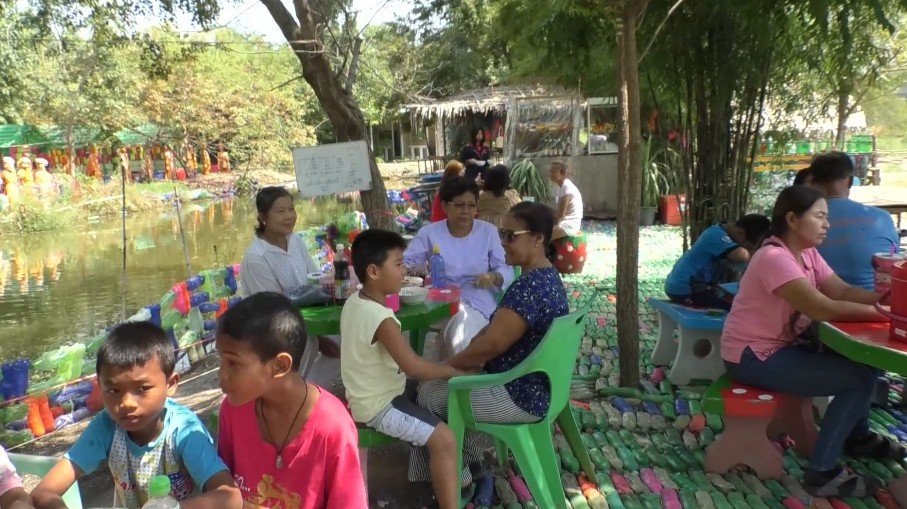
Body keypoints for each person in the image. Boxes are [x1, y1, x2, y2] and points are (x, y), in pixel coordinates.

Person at [721, 185, 903, 499]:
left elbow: (842, 292)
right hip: (753, 355)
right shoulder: (773, 257)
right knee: (857, 380)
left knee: (865, 363)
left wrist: (888, 300)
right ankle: (822, 472)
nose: (827, 224)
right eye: (819, 216)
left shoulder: (806, 254)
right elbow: (821, 307)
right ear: (792, 219)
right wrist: (887, 315)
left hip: (779, 348)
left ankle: (856, 437)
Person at [411, 202, 569, 484]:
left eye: (511, 236)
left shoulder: (532, 288)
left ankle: (454, 479)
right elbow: (490, 335)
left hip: (519, 393)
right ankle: (469, 462)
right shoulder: (543, 278)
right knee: (442, 384)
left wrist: (445, 367)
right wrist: (466, 360)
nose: (503, 243)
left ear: (537, 239)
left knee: (426, 395)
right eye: (502, 234)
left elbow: (491, 345)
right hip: (528, 383)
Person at [31, 322, 241, 509]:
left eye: (142, 388)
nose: (126, 404)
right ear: (100, 387)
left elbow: (230, 498)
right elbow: (44, 492)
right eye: (113, 391)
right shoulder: (106, 426)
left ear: (171, 384)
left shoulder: (184, 432)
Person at [340, 229, 470, 509]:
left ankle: (448, 476)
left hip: (369, 394)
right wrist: (451, 370)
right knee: (445, 439)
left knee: (431, 397)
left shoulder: (355, 301)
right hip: (378, 406)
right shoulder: (381, 319)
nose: (405, 270)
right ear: (374, 272)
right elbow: (414, 367)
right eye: (398, 264)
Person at [216, 292, 366, 508]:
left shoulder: (333, 427)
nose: (222, 374)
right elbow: (222, 489)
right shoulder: (232, 411)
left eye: (233, 363)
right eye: (221, 360)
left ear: (279, 366)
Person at [404, 177, 514, 357]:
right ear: (446, 206)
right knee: (457, 327)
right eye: (459, 205)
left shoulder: (488, 232)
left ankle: (455, 371)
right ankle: (459, 371)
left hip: (477, 300)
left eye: (471, 205)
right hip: (439, 302)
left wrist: (494, 278)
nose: (466, 211)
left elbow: (505, 267)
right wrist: (414, 270)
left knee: (460, 326)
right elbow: (408, 263)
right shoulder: (429, 232)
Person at [241, 186, 337, 362]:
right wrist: (320, 339)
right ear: (263, 217)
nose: (289, 216)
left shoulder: (295, 240)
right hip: (272, 327)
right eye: (280, 211)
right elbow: (274, 308)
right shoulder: (257, 257)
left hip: (304, 318)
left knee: (346, 333)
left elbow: (314, 278)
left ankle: (312, 386)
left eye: (291, 209)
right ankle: (294, 387)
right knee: (309, 344)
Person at [808, 152, 900, 291]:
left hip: (817, 305)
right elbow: (895, 260)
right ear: (850, 181)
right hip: (876, 303)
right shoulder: (883, 218)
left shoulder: (801, 222)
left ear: (812, 182)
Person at [664, 214, 770, 310]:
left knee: (737, 300)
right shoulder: (716, 234)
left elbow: (746, 265)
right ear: (740, 233)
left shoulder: (726, 239)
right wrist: (753, 252)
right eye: (749, 245)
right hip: (684, 289)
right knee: (741, 308)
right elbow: (741, 255)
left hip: (695, 288)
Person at [477, 164, 521, 228]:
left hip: (482, 230)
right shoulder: (510, 197)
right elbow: (521, 210)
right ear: (506, 180)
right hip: (502, 231)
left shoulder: (481, 196)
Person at [549, 162, 584, 240]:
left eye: (553, 171)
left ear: (562, 173)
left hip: (570, 224)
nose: (550, 174)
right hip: (565, 221)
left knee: (544, 234)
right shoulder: (561, 188)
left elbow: (561, 215)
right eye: (550, 171)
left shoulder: (566, 187)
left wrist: (554, 225)